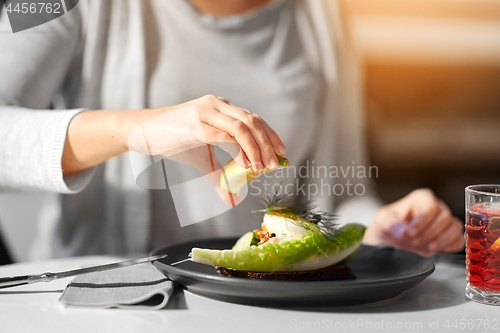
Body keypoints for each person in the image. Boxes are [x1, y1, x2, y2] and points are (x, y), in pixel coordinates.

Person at [0, 0, 463, 259]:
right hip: (110, 312)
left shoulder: (325, 14)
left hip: (264, 311)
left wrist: (377, 231)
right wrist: (137, 128)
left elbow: (336, 195)